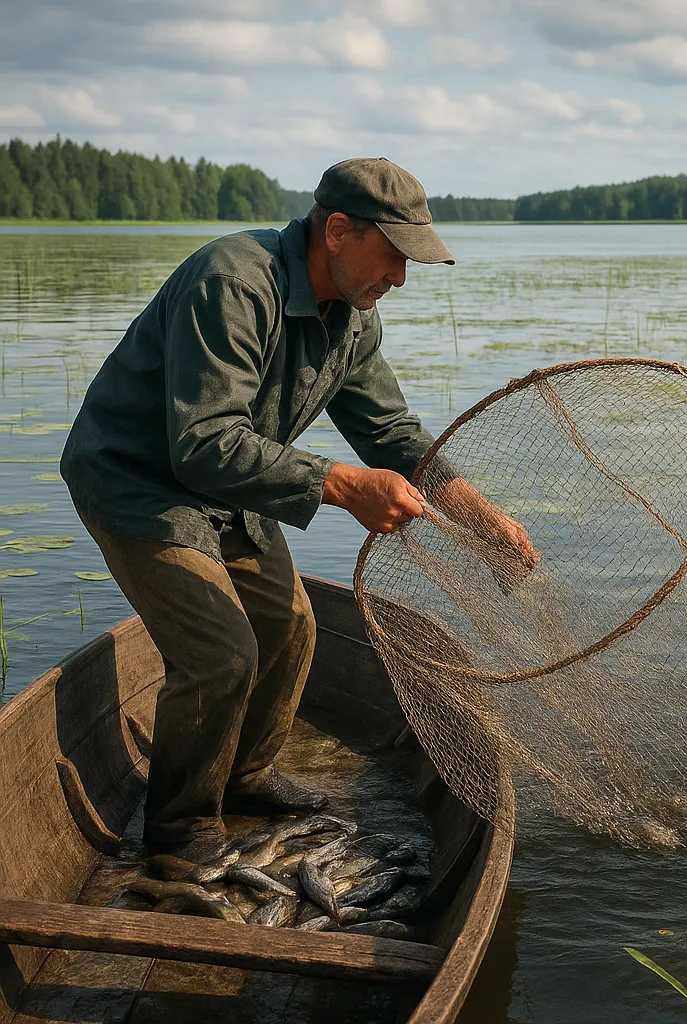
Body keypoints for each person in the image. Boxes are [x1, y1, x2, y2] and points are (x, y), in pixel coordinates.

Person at [61, 157, 537, 862]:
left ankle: (246, 777)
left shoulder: (353, 317)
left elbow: (392, 435)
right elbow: (202, 443)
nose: (401, 279)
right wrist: (344, 486)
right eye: (395, 257)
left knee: (290, 628)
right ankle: (179, 831)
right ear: (338, 230)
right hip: (139, 482)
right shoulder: (232, 282)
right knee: (223, 654)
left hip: (229, 484)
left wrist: (482, 518)